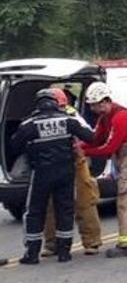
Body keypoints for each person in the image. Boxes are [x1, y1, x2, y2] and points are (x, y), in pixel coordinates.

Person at [11, 89, 96, 264]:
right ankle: (65, 252)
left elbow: (14, 145)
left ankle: (32, 254)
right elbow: (90, 136)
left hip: (41, 174)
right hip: (66, 172)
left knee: (35, 212)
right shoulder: (68, 120)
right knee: (65, 210)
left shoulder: (29, 124)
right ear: (55, 103)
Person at [82, 82, 127, 258]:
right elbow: (97, 138)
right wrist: (80, 145)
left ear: (105, 101)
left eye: (95, 105)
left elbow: (108, 147)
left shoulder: (121, 117)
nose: (93, 109)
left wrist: (83, 151)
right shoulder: (106, 117)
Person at [41, 88, 103, 257]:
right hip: (51, 164)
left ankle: (92, 241)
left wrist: (79, 147)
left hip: (75, 161)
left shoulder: (72, 116)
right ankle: (52, 243)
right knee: (51, 205)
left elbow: (91, 135)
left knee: (85, 201)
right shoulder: (38, 117)